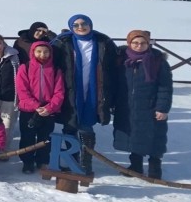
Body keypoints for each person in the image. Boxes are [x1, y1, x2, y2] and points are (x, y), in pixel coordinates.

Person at [51, 14, 117, 175]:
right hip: (69, 90)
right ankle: (71, 160)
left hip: (94, 90)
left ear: (90, 24)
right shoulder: (62, 42)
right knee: (70, 125)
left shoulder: (103, 42)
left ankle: (86, 162)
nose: (80, 27)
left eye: (84, 23)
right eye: (76, 25)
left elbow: (114, 65)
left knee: (86, 126)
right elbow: (50, 63)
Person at [112, 30, 173, 179]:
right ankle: (136, 166)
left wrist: (162, 108)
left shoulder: (157, 61)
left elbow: (165, 87)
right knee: (134, 135)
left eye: (143, 43)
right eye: (135, 43)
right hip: (128, 106)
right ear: (129, 43)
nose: (139, 46)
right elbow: (115, 84)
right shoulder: (122, 61)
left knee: (155, 136)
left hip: (151, 106)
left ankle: (155, 167)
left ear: (148, 44)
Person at [16, 41, 65, 173]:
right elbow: (22, 90)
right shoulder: (25, 67)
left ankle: (42, 160)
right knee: (28, 136)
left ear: (50, 53)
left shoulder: (55, 70)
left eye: (45, 52)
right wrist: (36, 106)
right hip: (29, 109)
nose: (42, 54)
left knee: (45, 137)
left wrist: (50, 107)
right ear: (33, 52)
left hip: (48, 110)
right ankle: (27, 162)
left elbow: (59, 92)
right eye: (39, 51)